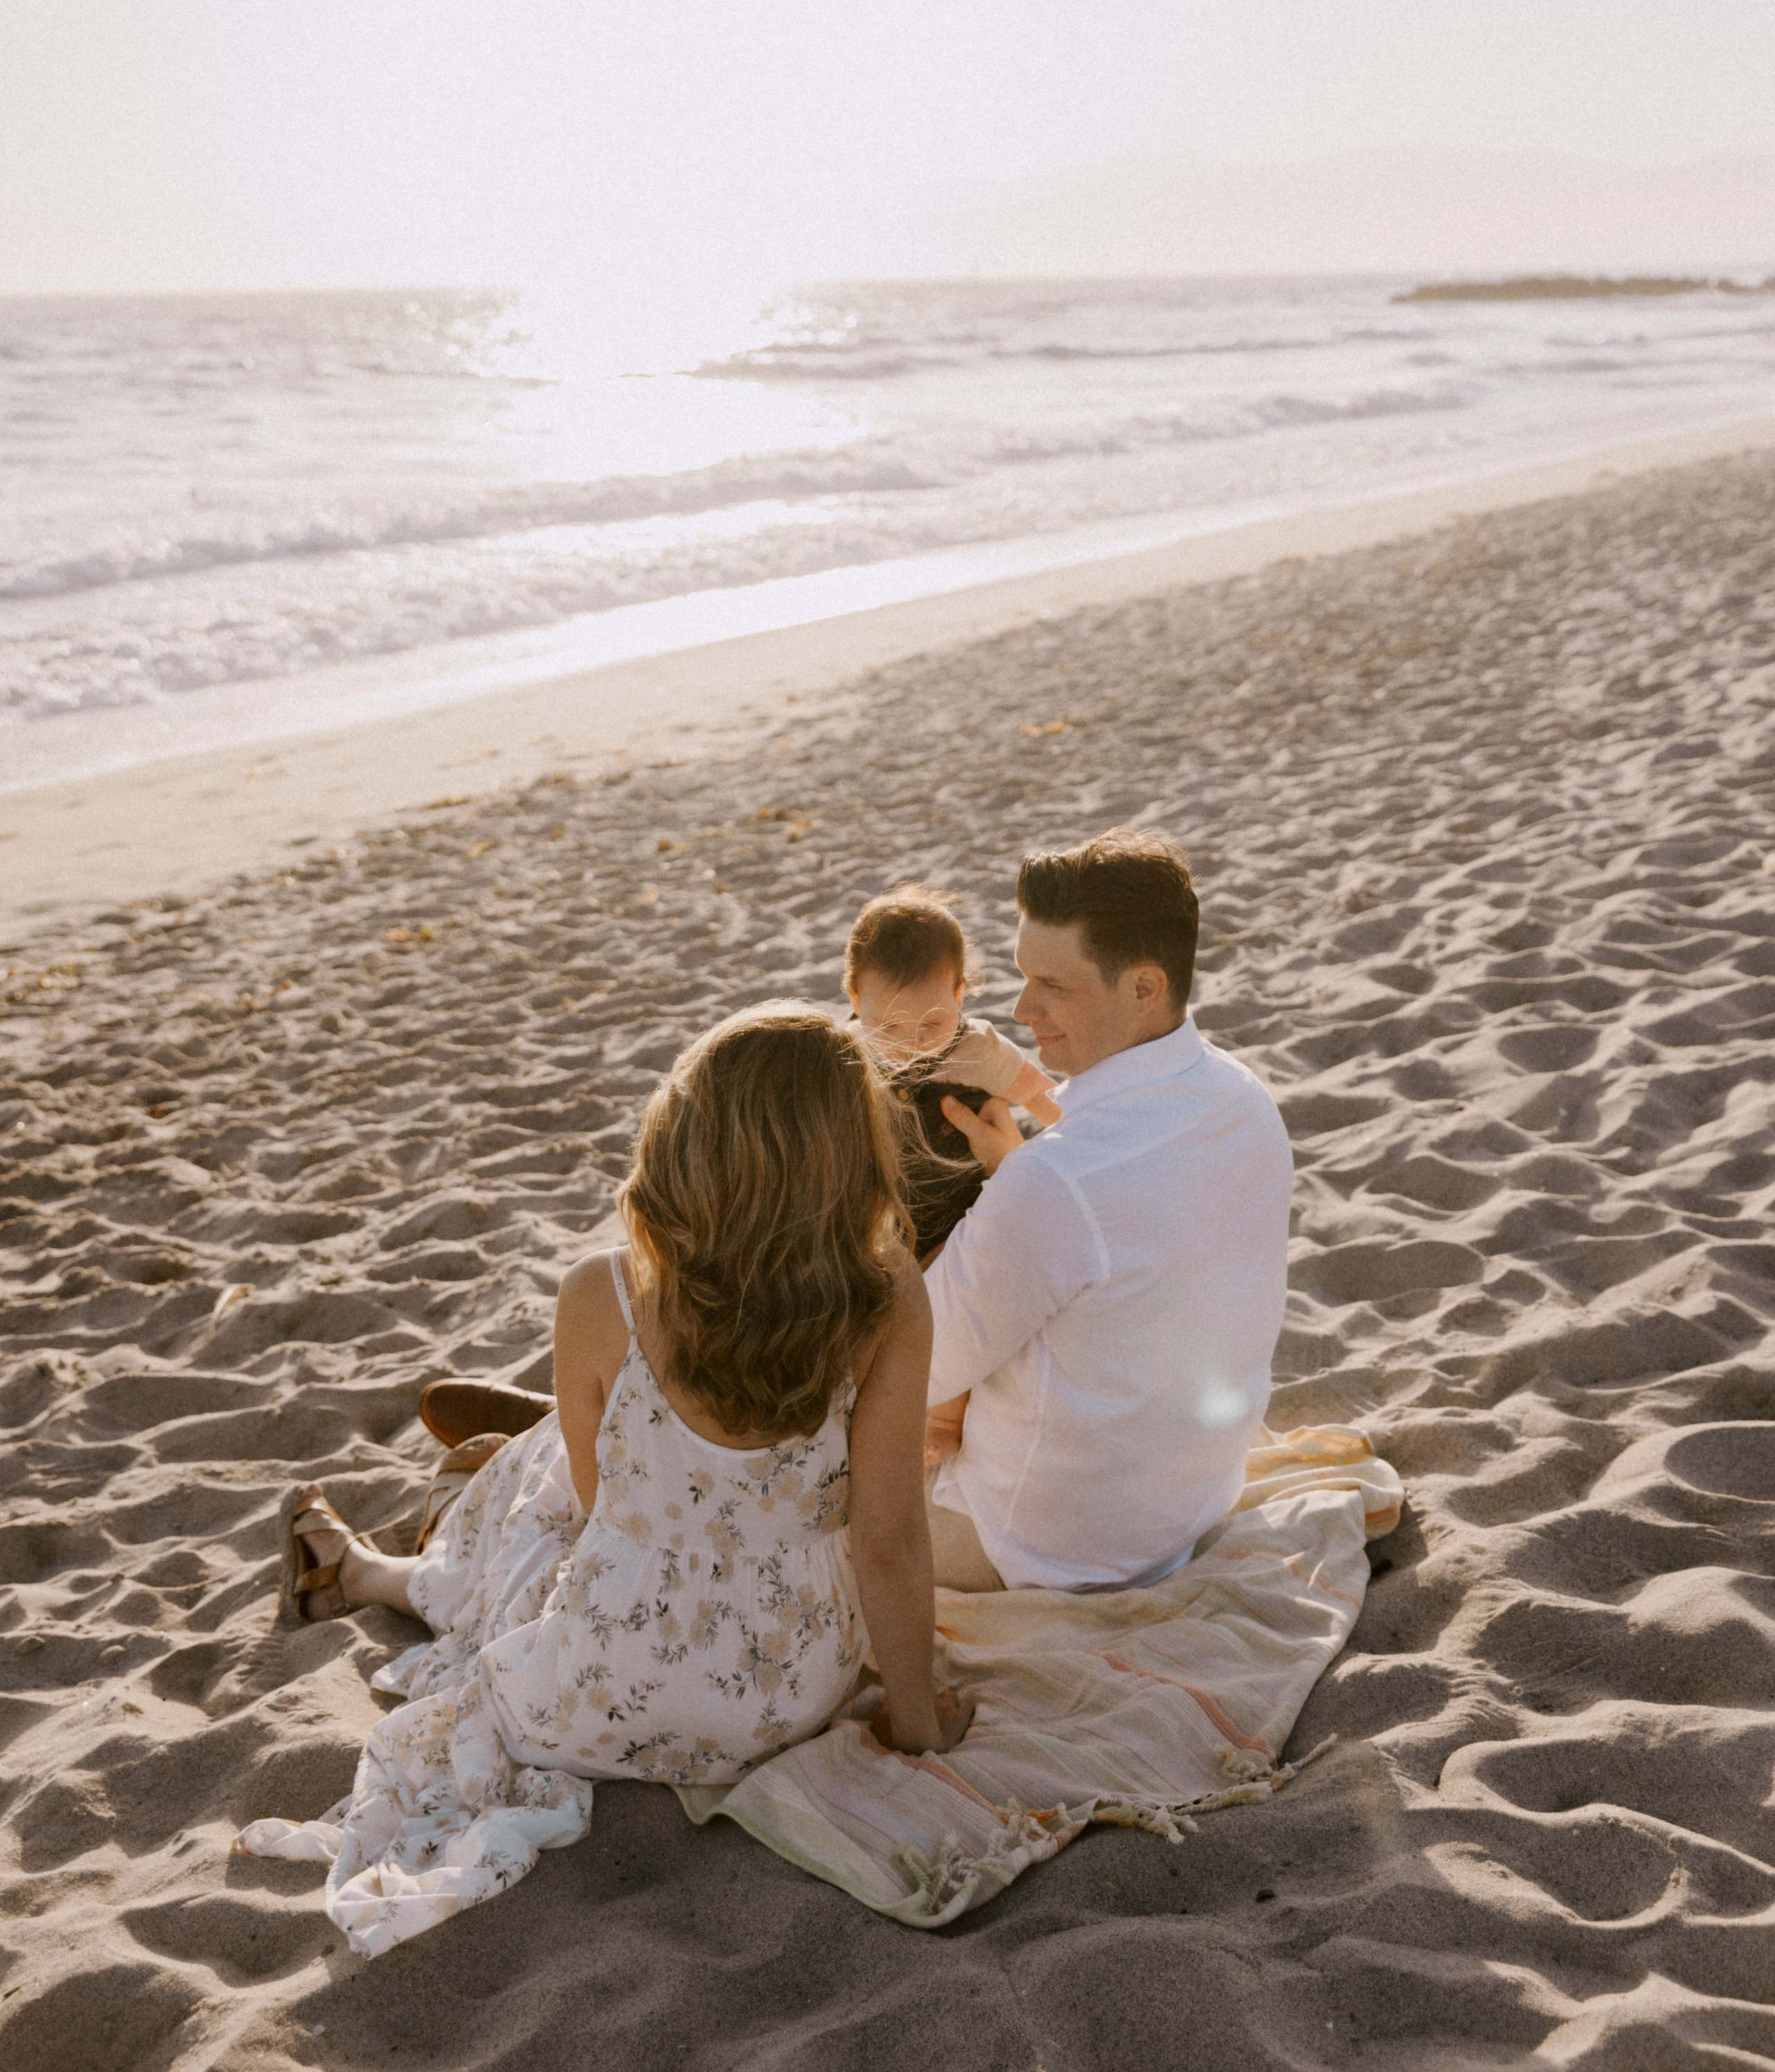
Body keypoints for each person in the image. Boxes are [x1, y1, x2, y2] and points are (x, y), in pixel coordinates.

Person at [268, 1007, 970, 1942]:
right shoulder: (888, 1297)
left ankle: (372, 1565)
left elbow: (602, 1508)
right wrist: (916, 1724)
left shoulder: (600, 1291)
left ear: (686, 1140)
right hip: (788, 1695)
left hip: (600, 1688)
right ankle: (421, 1529)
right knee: (551, 1486)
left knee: (546, 1490)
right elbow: (888, 1536)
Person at [921, 829, 1293, 1597]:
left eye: (1053, 985)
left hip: (1036, 1546)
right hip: (1187, 1504)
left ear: (1145, 988)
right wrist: (1017, 1181)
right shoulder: (1245, 1100)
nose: (1022, 1008)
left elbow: (912, 1371)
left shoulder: (1055, 1181)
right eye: (1023, 976)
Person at [844, 883, 1058, 1259]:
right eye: (889, 1027)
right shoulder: (847, 1052)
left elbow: (1038, 1093)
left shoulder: (977, 1048)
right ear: (857, 1002)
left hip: (965, 1206)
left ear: (959, 994)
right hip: (884, 1219)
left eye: (932, 1023)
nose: (912, 1042)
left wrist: (1079, 1142)